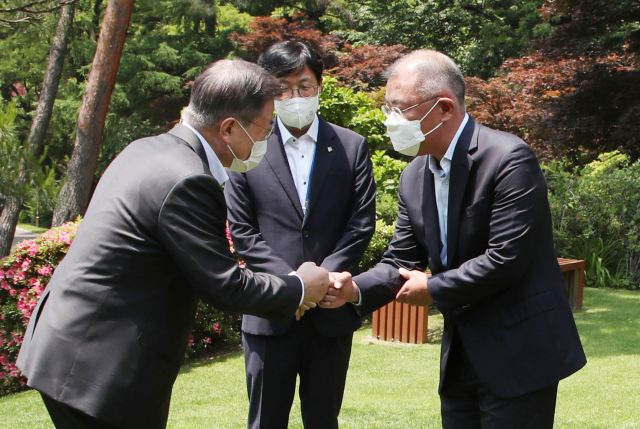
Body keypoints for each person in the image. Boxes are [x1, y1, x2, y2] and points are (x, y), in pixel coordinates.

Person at [16, 59, 331, 429]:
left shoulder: (147, 149)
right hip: (100, 366)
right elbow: (225, 286)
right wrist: (300, 287)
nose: (266, 139)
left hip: (67, 346)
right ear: (229, 128)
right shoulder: (188, 180)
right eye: (264, 129)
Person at [323, 50, 587, 428]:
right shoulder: (414, 176)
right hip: (461, 355)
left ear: (444, 108)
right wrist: (353, 290)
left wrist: (434, 288)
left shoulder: (508, 159)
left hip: (520, 352)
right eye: (387, 109)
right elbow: (401, 260)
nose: (390, 121)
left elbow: (506, 259)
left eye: (400, 109)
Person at [224, 40, 376, 429]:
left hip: (330, 310)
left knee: (323, 420)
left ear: (320, 86)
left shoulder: (351, 146)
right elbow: (243, 231)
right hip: (270, 311)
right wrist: (294, 286)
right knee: (264, 421)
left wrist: (322, 280)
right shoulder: (248, 148)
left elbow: (360, 223)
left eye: (304, 85)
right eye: (283, 88)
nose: (295, 96)